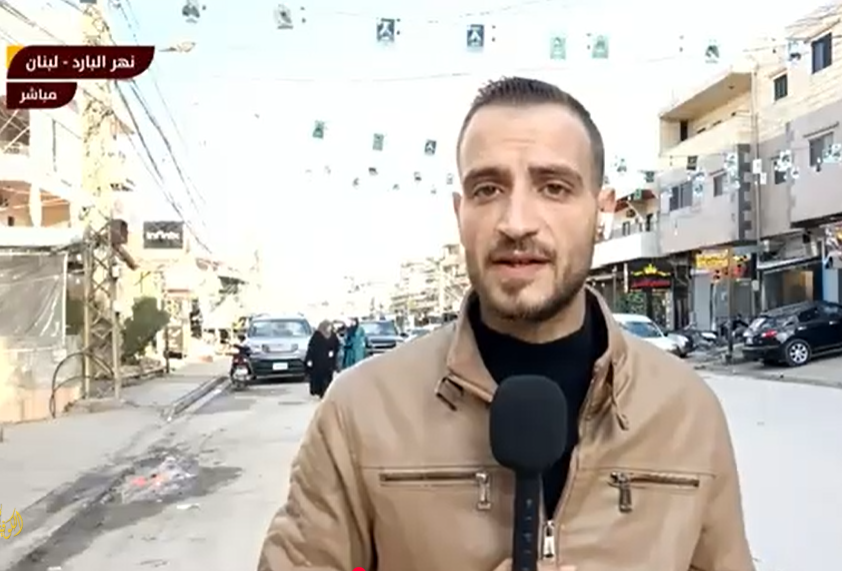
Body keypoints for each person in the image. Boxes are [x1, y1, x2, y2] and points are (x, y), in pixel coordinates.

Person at [259, 77, 755, 571]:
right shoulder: (359, 411)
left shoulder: (687, 412)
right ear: (460, 214)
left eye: (554, 188)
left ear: (600, 212)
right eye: (488, 189)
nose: (516, 222)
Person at [305, 320, 337, 398]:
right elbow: (311, 348)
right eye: (328, 326)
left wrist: (333, 351)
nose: (329, 328)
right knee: (319, 376)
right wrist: (309, 359)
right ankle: (319, 391)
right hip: (318, 360)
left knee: (328, 376)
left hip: (328, 361)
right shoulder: (317, 335)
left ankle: (327, 391)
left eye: (330, 326)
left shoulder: (333, 335)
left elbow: (336, 345)